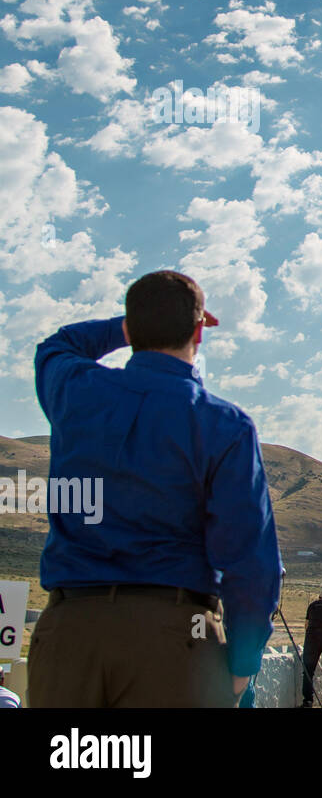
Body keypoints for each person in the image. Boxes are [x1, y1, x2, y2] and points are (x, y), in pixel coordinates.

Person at [28, 271, 281, 708]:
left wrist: (131, 323)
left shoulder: (76, 393)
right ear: (199, 330)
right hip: (176, 639)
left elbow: (57, 345)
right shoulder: (224, 425)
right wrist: (241, 667)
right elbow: (250, 562)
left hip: (69, 631)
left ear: (131, 329)